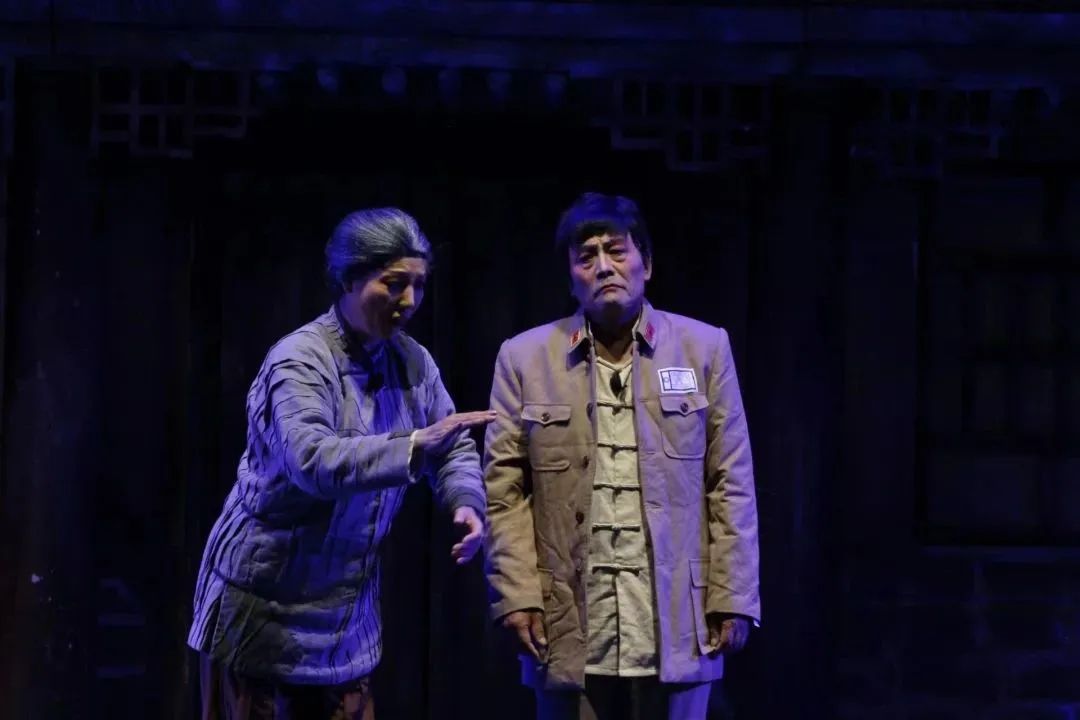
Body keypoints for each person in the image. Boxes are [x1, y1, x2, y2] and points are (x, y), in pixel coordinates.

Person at [188, 207, 494, 720]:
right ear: (350, 279)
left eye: (418, 285)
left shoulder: (411, 361)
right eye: (393, 284)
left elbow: (452, 443)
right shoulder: (300, 360)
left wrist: (465, 499)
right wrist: (414, 445)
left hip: (345, 621)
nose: (409, 301)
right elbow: (314, 460)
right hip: (263, 614)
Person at [483, 192, 760, 719]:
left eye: (616, 250)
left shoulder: (704, 349)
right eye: (586, 257)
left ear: (646, 263)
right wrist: (515, 595)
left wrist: (734, 596)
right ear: (571, 278)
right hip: (566, 622)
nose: (604, 266)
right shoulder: (524, 359)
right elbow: (504, 492)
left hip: (679, 620)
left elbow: (731, 481)